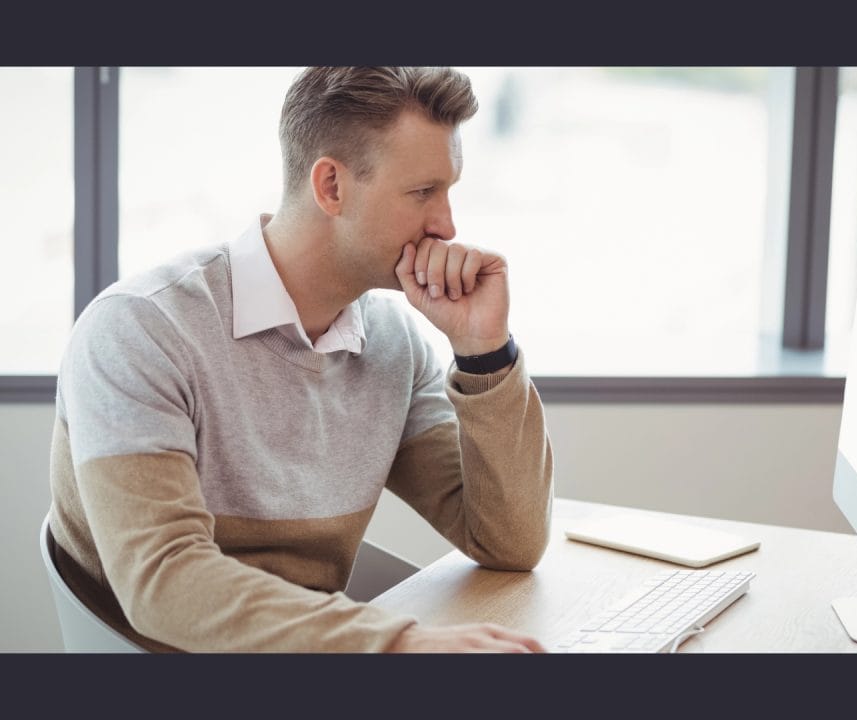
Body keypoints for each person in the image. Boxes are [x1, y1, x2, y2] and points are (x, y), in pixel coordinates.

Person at [47, 66, 554, 652]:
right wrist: (401, 646)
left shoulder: (390, 342)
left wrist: (484, 352)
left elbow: (510, 542)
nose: (446, 224)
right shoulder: (142, 329)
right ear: (331, 186)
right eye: (422, 192)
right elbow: (163, 583)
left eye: (448, 191)